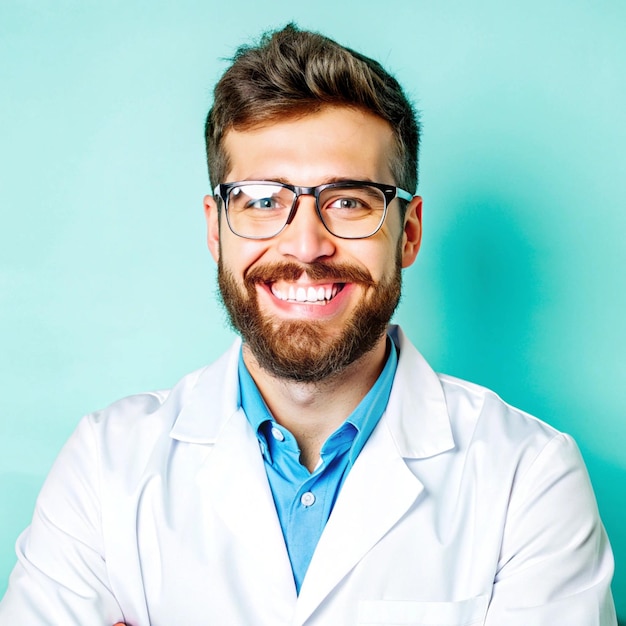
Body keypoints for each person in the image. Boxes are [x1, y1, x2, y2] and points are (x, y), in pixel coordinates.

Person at [0, 24, 617, 626]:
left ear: (408, 232)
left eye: (348, 201)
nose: (305, 245)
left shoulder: (528, 479)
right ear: (216, 230)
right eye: (263, 200)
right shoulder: (107, 466)